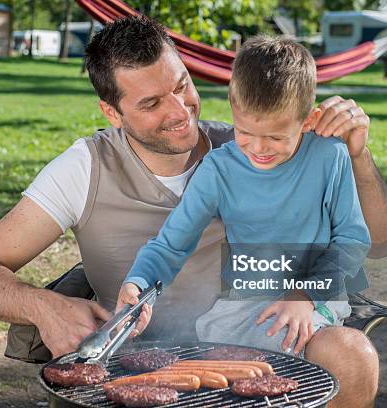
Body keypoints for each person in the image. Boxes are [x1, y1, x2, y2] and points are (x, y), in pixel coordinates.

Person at [0, 16, 387, 408]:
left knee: (351, 354)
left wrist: (357, 155)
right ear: (112, 112)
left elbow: (380, 244)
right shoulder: (84, 168)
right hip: (143, 362)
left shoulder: (253, 142)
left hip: (265, 332)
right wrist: (44, 306)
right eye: (150, 103)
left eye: (182, 84)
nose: (180, 111)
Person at [118, 35, 370, 359]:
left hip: (316, 294)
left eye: (276, 136)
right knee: (219, 360)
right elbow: (170, 244)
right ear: (233, 111)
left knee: (292, 351)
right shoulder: (218, 170)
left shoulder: (329, 156)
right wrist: (138, 283)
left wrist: (304, 295)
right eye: (245, 132)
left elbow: (352, 240)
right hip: (247, 300)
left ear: (307, 121)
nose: (259, 148)